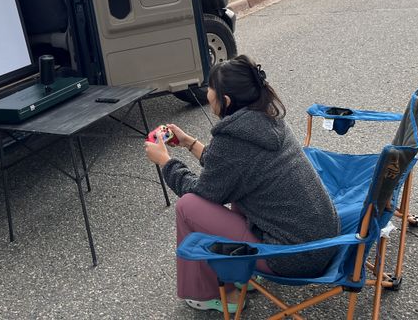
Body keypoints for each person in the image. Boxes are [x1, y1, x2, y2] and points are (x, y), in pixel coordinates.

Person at [145, 55, 340, 314]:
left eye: (210, 88)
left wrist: (165, 162)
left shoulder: (234, 139)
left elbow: (204, 191)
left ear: (226, 101)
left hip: (294, 258)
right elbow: (229, 169)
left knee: (188, 206)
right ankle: (241, 274)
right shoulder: (268, 116)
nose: (208, 94)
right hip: (323, 239)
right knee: (238, 192)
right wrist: (190, 143)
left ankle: (209, 293)